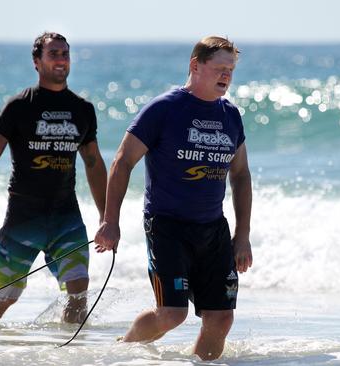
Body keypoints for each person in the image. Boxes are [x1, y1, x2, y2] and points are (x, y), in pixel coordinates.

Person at [94, 36, 253, 361]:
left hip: (213, 229)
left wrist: (243, 236)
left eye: (231, 70)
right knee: (171, 314)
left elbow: (240, 174)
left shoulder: (231, 115)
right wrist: (110, 221)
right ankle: (125, 350)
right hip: (167, 227)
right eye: (219, 68)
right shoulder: (164, 109)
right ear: (195, 66)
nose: (226, 76)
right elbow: (122, 161)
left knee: (221, 318)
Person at [0, 32, 107, 325]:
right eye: (54, 54)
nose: (61, 60)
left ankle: (67, 352)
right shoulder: (19, 106)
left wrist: (107, 216)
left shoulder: (82, 109)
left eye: (65, 54)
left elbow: (94, 163)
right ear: (37, 62)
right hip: (24, 217)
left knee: (78, 290)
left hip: (66, 216)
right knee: (3, 298)